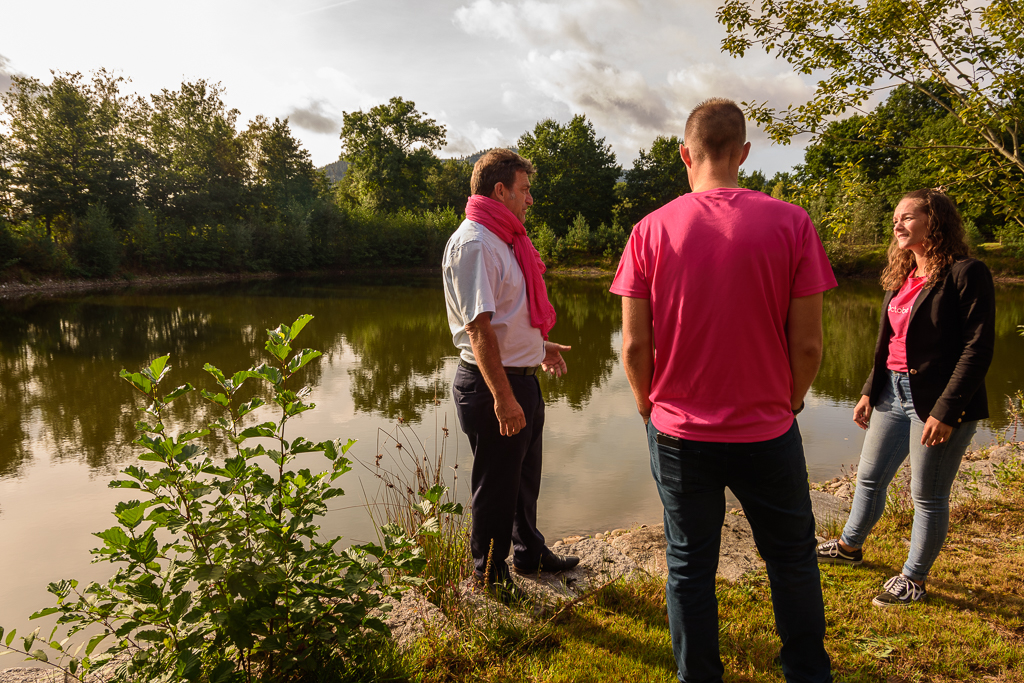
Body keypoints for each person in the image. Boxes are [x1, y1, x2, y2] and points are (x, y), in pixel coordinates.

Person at [611, 98, 835, 683]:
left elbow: (635, 348)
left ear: (685, 154)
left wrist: (649, 409)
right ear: (743, 154)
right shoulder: (792, 223)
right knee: (790, 559)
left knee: (688, 567)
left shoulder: (649, 230)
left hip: (681, 433)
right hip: (768, 429)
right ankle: (808, 674)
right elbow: (808, 346)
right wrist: (787, 402)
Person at [816, 189, 995, 607]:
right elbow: (889, 343)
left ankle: (913, 578)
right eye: (895, 218)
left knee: (927, 496)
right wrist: (868, 390)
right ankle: (849, 549)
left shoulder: (967, 274)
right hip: (891, 394)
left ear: (934, 221)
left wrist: (947, 411)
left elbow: (977, 349)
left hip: (938, 401)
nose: (897, 224)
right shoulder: (903, 276)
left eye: (907, 217)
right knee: (868, 477)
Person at [442, 148, 579, 601]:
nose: (530, 199)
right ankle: (488, 574)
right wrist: (503, 397)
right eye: (524, 190)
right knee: (496, 484)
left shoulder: (504, 239)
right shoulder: (476, 243)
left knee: (523, 477)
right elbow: (478, 328)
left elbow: (507, 317)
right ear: (499, 190)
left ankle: (528, 553)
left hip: (518, 376)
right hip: (490, 385)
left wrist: (540, 348)